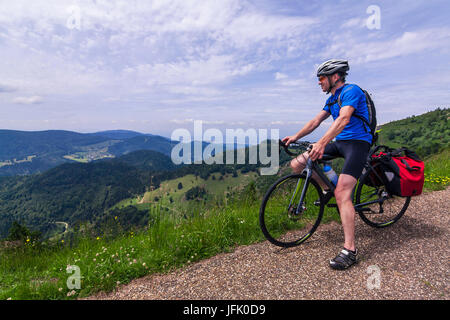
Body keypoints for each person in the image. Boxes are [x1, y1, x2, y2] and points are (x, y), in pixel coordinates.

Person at [282, 59, 372, 270]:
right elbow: (315, 122)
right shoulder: (332, 99)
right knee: (298, 163)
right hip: (340, 142)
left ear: (335, 77)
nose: (319, 82)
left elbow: (343, 120)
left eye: (321, 78)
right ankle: (326, 189)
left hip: (358, 143)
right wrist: (295, 136)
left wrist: (321, 143)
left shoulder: (352, 91)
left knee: (343, 193)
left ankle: (350, 250)